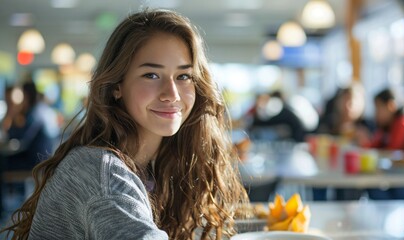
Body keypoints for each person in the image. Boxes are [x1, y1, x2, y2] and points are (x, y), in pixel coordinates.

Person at [2, 9, 248, 239]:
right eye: (151, 75)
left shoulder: (156, 168)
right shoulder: (100, 172)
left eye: (183, 76)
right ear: (117, 86)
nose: (172, 93)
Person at [4, 82, 60, 170]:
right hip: (40, 157)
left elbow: (22, 139)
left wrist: (11, 115)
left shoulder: (34, 114)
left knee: (4, 163)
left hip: (36, 161)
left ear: (26, 96)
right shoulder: (39, 110)